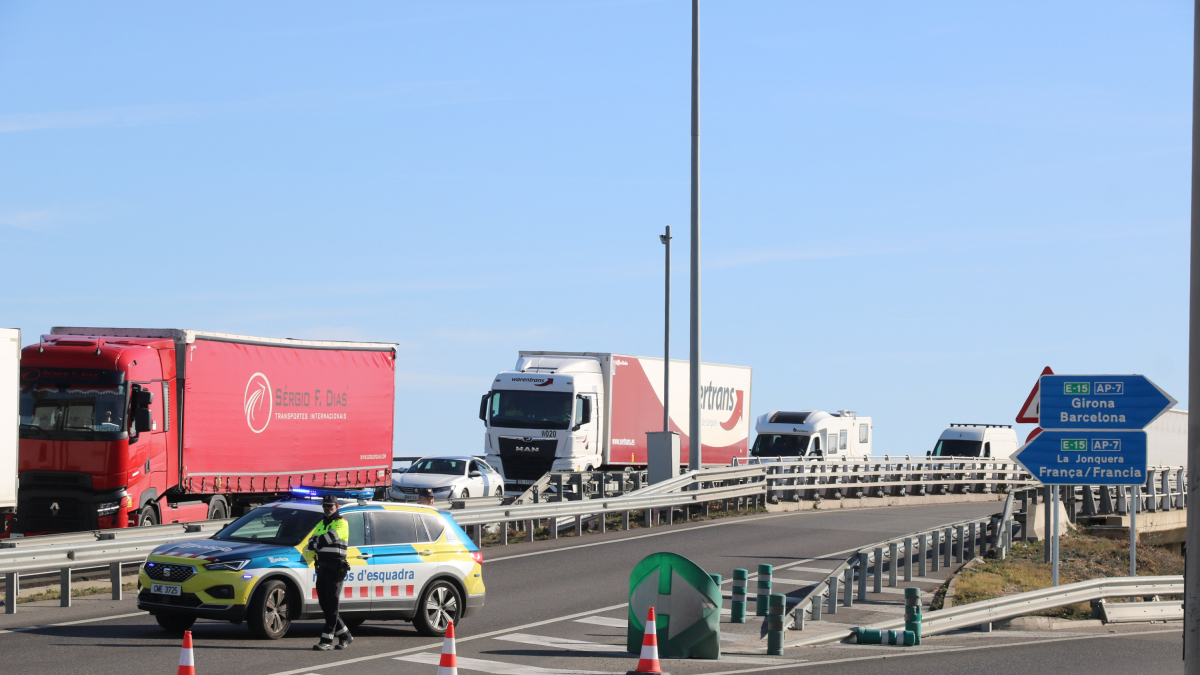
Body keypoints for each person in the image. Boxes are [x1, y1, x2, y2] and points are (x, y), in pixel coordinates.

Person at [308, 495, 352, 651]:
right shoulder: (321, 523)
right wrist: (317, 541)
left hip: (335, 569)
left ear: (336, 507)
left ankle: (326, 640)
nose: (327, 508)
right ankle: (345, 634)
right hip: (322, 568)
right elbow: (310, 543)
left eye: (330, 506)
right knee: (324, 604)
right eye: (325, 506)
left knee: (332, 605)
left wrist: (317, 541)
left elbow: (328, 538)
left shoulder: (342, 522)